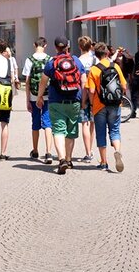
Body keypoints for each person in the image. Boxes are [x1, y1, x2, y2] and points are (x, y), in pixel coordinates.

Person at [37, 36, 87, 175]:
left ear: (55, 48)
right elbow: (84, 81)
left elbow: (43, 81)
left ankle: (62, 159)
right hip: (74, 100)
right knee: (71, 131)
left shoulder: (51, 63)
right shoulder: (76, 61)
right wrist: (83, 100)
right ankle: (69, 160)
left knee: (58, 130)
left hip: (56, 101)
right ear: (67, 47)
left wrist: (40, 96)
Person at [88, 42, 128, 172]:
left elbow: (91, 91)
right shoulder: (115, 66)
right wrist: (120, 96)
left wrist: (91, 104)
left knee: (101, 133)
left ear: (96, 55)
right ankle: (117, 150)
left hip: (99, 105)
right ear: (107, 53)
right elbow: (124, 86)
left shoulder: (94, 70)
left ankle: (104, 162)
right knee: (115, 130)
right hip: (115, 104)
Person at [23, 37, 53, 164]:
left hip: (34, 96)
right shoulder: (50, 59)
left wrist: (27, 99)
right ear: (45, 45)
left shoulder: (29, 59)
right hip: (48, 96)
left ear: (34, 45)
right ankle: (48, 152)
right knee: (48, 123)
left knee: (35, 123)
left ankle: (35, 150)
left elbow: (27, 81)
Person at [77, 36, 98, 162]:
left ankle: (88, 152)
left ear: (80, 47)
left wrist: (82, 100)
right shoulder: (95, 59)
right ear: (91, 46)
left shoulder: (79, 60)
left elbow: (82, 81)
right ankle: (91, 148)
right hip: (95, 94)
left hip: (83, 94)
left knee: (84, 123)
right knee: (92, 123)